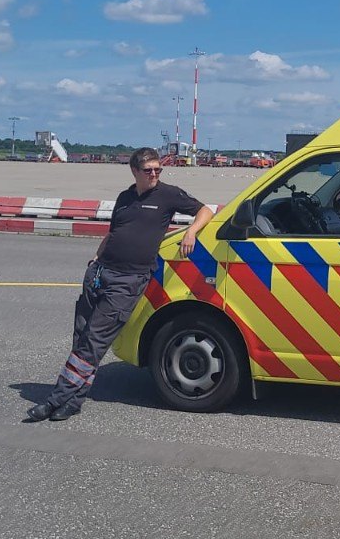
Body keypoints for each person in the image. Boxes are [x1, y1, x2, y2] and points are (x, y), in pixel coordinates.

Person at [25, 147, 214, 422]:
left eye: (158, 170)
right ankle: (74, 401)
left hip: (129, 280)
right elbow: (114, 232)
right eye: (148, 170)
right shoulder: (125, 197)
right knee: (82, 338)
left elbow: (205, 210)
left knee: (94, 340)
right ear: (135, 171)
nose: (154, 175)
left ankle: (55, 399)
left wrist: (192, 234)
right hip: (101, 273)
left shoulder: (168, 194)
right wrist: (94, 261)